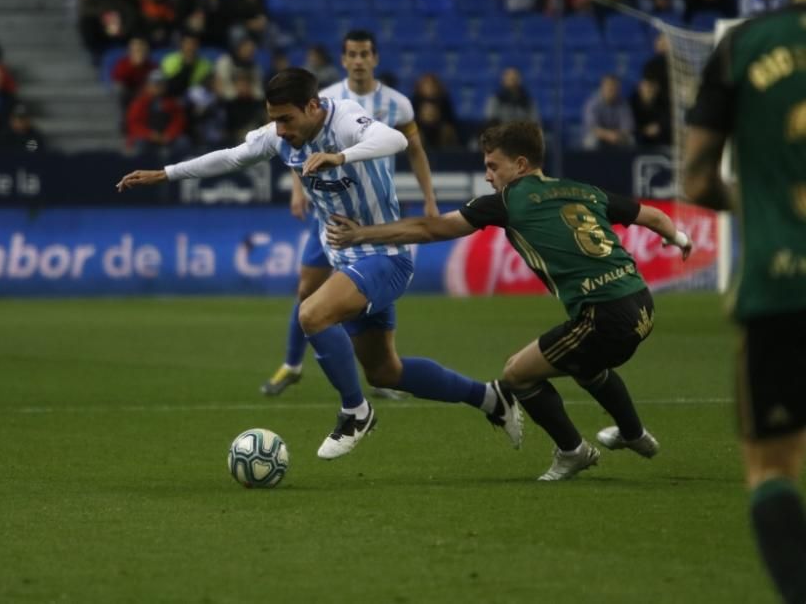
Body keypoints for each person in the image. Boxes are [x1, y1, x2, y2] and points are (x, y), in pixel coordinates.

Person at [117, 67, 521, 459]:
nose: (280, 130)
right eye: (273, 120)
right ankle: (489, 397)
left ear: (313, 106)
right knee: (385, 372)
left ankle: (356, 412)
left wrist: (339, 156)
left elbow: (395, 140)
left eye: (286, 119)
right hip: (347, 259)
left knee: (312, 313)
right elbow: (231, 158)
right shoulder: (281, 137)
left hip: (386, 256)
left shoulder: (345, 119)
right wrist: (164, 173)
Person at [326, 120, 694, 480]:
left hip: (605, 317)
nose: (488, 176)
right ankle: (634, 434)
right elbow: (654, 216)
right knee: (585, 363)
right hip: (642, 305)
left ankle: (573, 452)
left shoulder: (509, 201)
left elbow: (429, 227)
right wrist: (678, 238)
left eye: (492, 166)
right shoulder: (583, 189)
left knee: (517, 374)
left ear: (519, 165)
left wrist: (361, 235)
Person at [683, 0, 806, 600]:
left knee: (772, 466)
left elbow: (697, 178)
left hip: (779, 286)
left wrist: (756, 197)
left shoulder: (744, 45)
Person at [261, 30, 440, 401]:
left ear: (375, 58)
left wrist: (429, 198)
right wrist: (298, 190)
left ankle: (379, 374)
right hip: (329, 211)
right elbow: (296, 143)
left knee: (372, 289)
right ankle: (292, 365)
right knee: (308, 289)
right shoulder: (326, 99)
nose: (358, 60)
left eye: (364, 54)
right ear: (343, 60)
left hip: (375, 211)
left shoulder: (398, 105)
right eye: (351, 54)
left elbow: (416, 151)